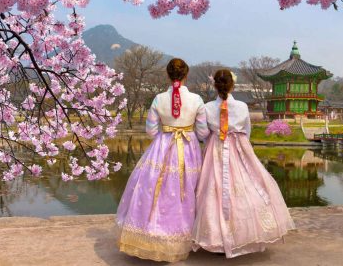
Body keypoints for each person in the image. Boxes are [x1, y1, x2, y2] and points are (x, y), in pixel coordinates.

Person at [192, 69, 295, 258]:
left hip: (215, 148)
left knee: (212, 190)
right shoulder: (242, 106)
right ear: (232, 85)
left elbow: (203, 134)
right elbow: (246, 131)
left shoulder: (206, 108)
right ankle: (241, 235)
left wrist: (213, 139)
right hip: (239, 147)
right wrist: (240, 144)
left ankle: (217, 239)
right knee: (247, 186)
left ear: (214, 85)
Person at [116, 58, 209, 262]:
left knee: (157, 191)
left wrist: (166, 130)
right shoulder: (197, 100)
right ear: (187, 75)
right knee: (185, 192)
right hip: (187, 149)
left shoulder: (158, 99)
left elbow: (150, 131)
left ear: (168, 75)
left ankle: (153, 235)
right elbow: (202, 132)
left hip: (162, 147)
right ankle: (182, 237)